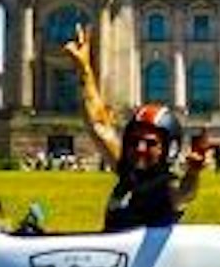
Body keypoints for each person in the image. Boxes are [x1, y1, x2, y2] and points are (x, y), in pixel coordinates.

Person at [61, 24, 208, 231]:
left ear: (169, 149)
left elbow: (184, 195)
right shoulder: (127, 173)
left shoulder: (165, 187)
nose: (139, 148)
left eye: (150, 144)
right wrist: (84, 69)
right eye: (134, 141)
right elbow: (99, 125)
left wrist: (193, 173)